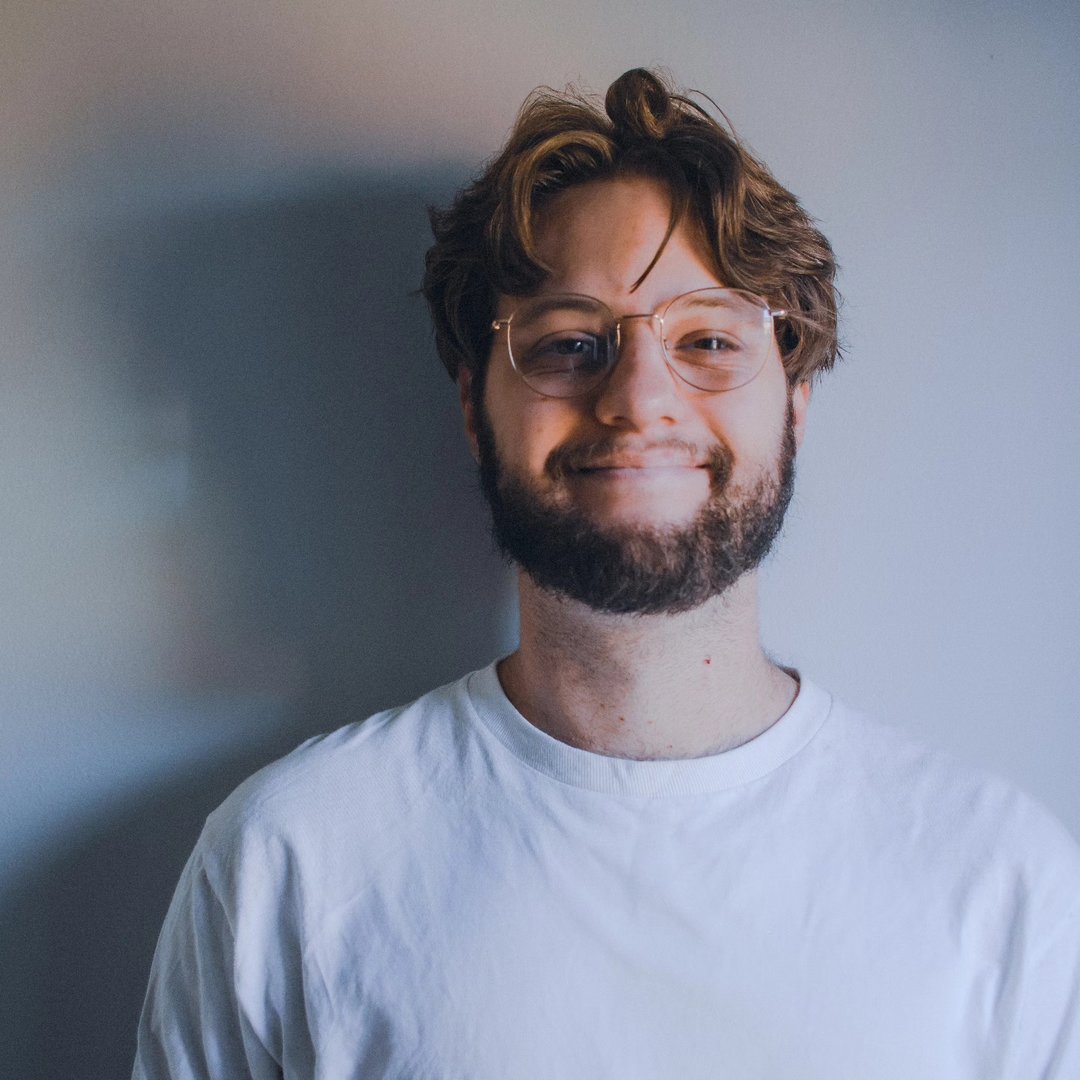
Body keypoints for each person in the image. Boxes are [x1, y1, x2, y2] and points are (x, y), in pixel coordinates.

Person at [133, 68, 1080, 1079]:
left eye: (708, 339)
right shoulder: (287, 864)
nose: (638, 397)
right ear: (473, 405)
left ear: (796, 398)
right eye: (571, 342)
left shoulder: (1003, 883)